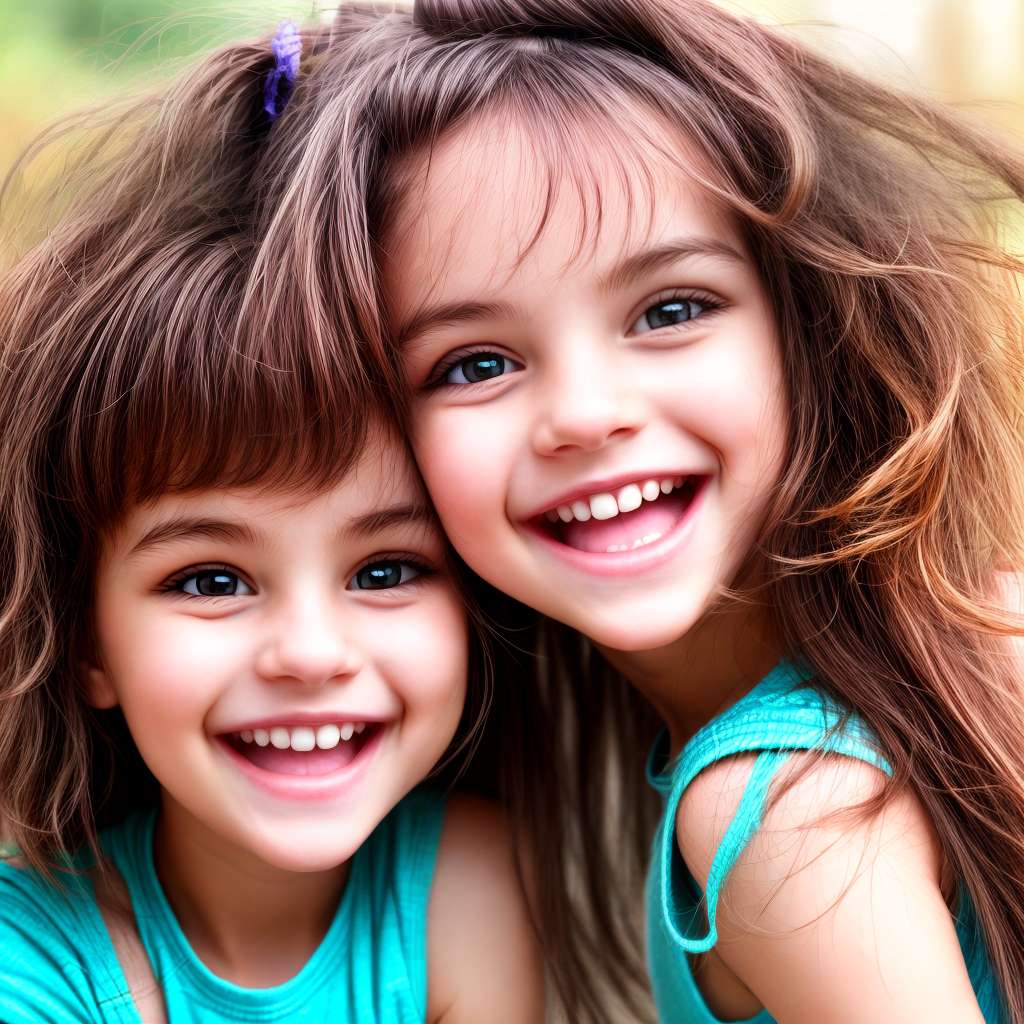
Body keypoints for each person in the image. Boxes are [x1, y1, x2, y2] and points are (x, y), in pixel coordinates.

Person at [258, 1, 1024, 1021]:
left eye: (670, 309)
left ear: (805, 322)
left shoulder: (780, 815)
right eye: (475, 364)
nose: (584, 415)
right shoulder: (982, 629)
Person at [0, 24, 542, 1023]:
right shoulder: (30, 950)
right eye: (210, 579)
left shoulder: (458, 891)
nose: (308, 652)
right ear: (85, 637)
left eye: (384, 570)